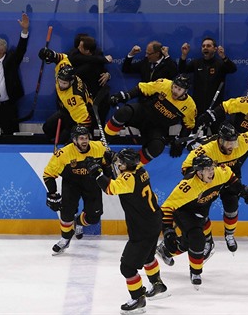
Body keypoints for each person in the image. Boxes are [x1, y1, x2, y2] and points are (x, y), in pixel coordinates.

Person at [83, 148, 168, 313]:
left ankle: (138, 298)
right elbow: (122, 174)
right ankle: (157, 283)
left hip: (141, 228)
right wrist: (113, 158)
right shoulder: (141, 169)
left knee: (127, 268)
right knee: (148, 257)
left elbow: (110, 188)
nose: (118, 164)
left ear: (125, 166)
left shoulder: (128, 179)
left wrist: (97, 172)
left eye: (120, 163)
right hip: (154, 221)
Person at [156, 155, 248, 288]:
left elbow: (232, 181)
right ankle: (196, 273)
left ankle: (165, 251)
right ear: (199, 172)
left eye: (212, 168)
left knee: (193, 244)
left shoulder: (220, 173)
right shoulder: (187, 186)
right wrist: (168, 231)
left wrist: (245, 192)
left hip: (201, 214)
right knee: (197, 239)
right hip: (184, 213)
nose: (211, 172)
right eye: (207, 169)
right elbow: (167, 208)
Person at [180, 123, 248, 256]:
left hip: (231, 180)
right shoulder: (207, 148)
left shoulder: (243, 140)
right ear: (220, 140)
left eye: (234, 143)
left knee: (232, 207)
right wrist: (199, 179)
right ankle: (207, 241)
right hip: (211, 181)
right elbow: (186, 167)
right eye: (228, 143)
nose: (232, 147)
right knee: (200, 213)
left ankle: (229, 234)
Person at [42, 125, 109, 255]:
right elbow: (48, 174)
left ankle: (78, 221)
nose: (85, 141)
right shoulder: (64, 153)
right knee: (66, 212)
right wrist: (52, 192)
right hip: (71, 184)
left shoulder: (99, 147)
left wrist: (109, 165)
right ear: (74, 140)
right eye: (81, 138)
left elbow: (107, 165)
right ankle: (65, 238)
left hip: (92, 183)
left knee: (94, 217)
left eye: (86, 137)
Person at [105, 74, 197, 164]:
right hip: (144, 113)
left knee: (157, 147)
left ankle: (133, 166)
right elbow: (142, 88)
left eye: (179, 89)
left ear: (185, 91)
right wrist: (124, 96)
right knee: (124, 112)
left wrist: (180, 142)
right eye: (175, 87)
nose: (175, 91)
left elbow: (188, 126)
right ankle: (104, 141)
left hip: (158, 127)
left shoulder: (190, 106)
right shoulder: (164, 84)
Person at [179, 37, 237, 133]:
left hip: (216, 108)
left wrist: (223, 57)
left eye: (208, 46)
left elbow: (233, 69)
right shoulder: (196, 63)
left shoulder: (220, 63)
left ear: (215, 49)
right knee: (197, 136)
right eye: (203, 46)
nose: (205, 48)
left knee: (217, 136)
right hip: (198, 107)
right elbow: (182, 70)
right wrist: (184, 55)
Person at [38, 49, 94, 144]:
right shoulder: (64, 69)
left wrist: (76, 137)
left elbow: (86, 122)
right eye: (60, 81)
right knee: (47, 128)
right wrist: (52, 55)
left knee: (63, 143)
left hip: (77, 115)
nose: (61, 85)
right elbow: (62, 58)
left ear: (71, 82)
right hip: (65, 110)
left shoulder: (74, 98)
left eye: (64, 83)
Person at [197, 88, 248, 154]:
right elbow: (226, 106)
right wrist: (212, 115)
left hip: (247, 145)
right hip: (230, 136)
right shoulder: (247, 103)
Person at [68, 34, 113, 125]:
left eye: (80, 47)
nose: (78, 48)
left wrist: (108, 74)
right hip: (81, 94)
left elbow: (101, 69)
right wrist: (103, 59)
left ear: (87, 50)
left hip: (96, 92)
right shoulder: (74, 54)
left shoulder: (98, 54)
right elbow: (81, 70)